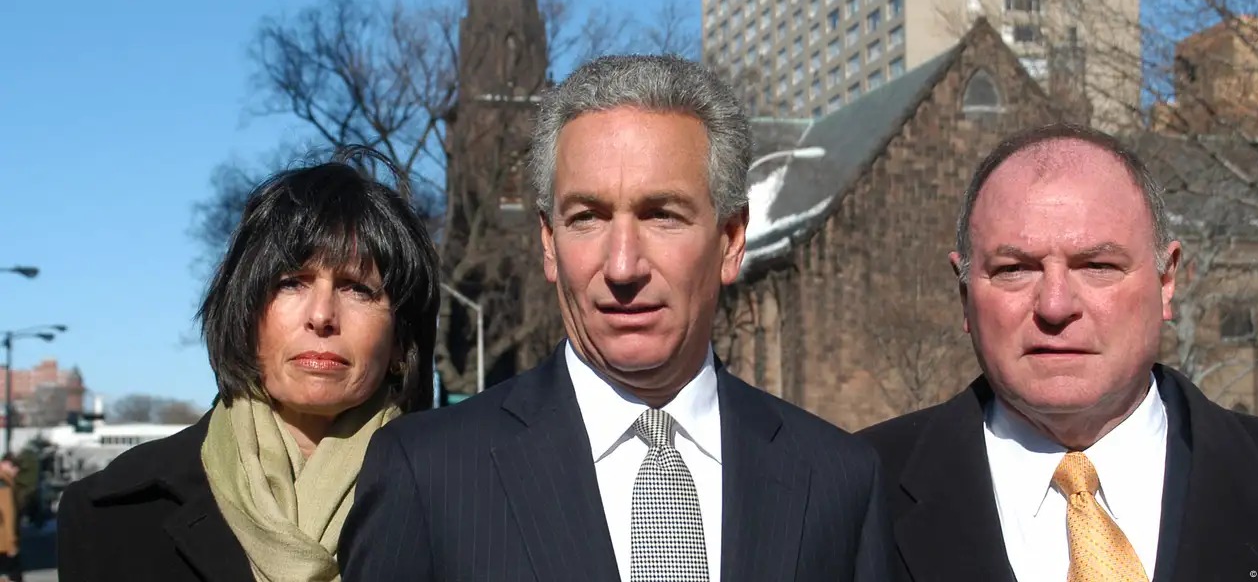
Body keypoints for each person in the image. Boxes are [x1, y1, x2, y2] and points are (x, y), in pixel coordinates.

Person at [338, 54, 895, 582]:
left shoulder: (838, 481)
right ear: (549, 242)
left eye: (662, 215)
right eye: (588, 217)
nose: (623, 266)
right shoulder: (428, 474)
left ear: (730, 240)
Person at [859, 123, 1258, 581]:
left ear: (1167, 282)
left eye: (1098, 266)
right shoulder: (848, 499)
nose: (1055, 305)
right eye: (1015, 269)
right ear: (964, 294)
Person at [56, 146, 441, 582]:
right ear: (244, 316)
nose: (321, 315)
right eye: (291, 283)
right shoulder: (112, 515)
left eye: (357, 288)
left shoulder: (466, 500)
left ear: (401, 340)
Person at [0, 455, 19, 582]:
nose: (16, 471)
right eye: (14, 467)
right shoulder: (4, 483)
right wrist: (11, 543)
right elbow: (8, 515)